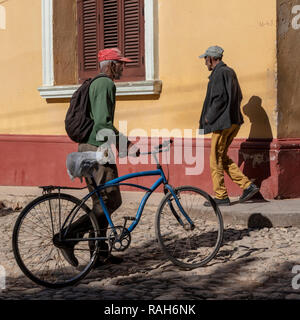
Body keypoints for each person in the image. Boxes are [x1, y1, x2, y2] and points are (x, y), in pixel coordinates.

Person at [57, 48, 138, 267]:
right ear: (112, 65)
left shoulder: (96, 83)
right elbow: (103, 123)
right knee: (111, 200)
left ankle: (99, 252)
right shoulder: (105, 84)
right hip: (97, 148)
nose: (123, 67)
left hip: (90, 146)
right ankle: (71, 235)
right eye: (121, 63)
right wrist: (125, 144)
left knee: (101, 202)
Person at [198, 45, 259, 206]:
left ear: (211, 58)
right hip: (233, 122)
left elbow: (219, 98)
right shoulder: (230, 72)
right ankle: (247, 186)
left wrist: (208, 118)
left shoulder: (219, 73)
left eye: (206, 59)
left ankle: (221, 196)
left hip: (221, 124)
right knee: (222, 157)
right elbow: (238, 96)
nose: (205, 62)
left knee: (215, 159)